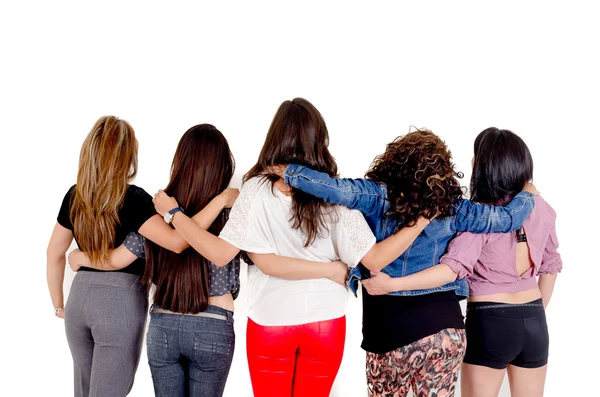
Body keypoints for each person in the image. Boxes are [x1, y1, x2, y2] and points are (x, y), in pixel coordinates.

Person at [152, 98, 432, 397]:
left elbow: (229, 255)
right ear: (319, 141)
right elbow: (375, 259)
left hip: (272, 320)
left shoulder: (256, 189)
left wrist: (174, 214)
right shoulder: (334, 192)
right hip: (326, 322)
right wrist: (422, 219)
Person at [270, 128, 537, 396]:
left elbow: (335, 189)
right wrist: (527, 192)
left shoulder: (377, 196)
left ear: (394, 161)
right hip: (445, 334)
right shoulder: (453, 206)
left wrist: (289, 172)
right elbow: (506, 219)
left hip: (390, 332)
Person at [362, 128, 561, 397]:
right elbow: (551, 267)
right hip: (535, 321)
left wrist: (394, 284)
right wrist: (530, 316)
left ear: (486, 166)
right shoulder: (542, 208)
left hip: (490, 320)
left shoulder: (480, 215)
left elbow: (450, 269)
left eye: (475, 156)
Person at [47, 116, 236, 397]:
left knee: (84, 391)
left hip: (81, 302)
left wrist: (60, 304)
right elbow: (177, 241)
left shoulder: (75, 196)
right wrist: (218, 203)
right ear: (127, 156)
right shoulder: (136, 201)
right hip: (122, 304)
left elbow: (55, 253)